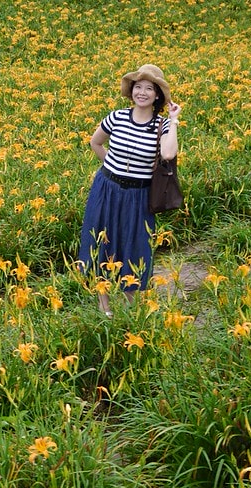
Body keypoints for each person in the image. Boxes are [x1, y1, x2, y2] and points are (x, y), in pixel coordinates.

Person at [77, 64, 181, 316]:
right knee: (101, 243)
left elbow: (168, 153)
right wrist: (113, 168)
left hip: (139, 196)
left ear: (157, 95)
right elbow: (95, 142)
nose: (142, 92)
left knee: (134, 246)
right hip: (107, 189)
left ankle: (129, 308)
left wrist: (174, 120)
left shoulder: (162, 126)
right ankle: (104, 307)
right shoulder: (117, 117)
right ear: (131, 91)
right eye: (138, 87)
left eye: (149, 88)